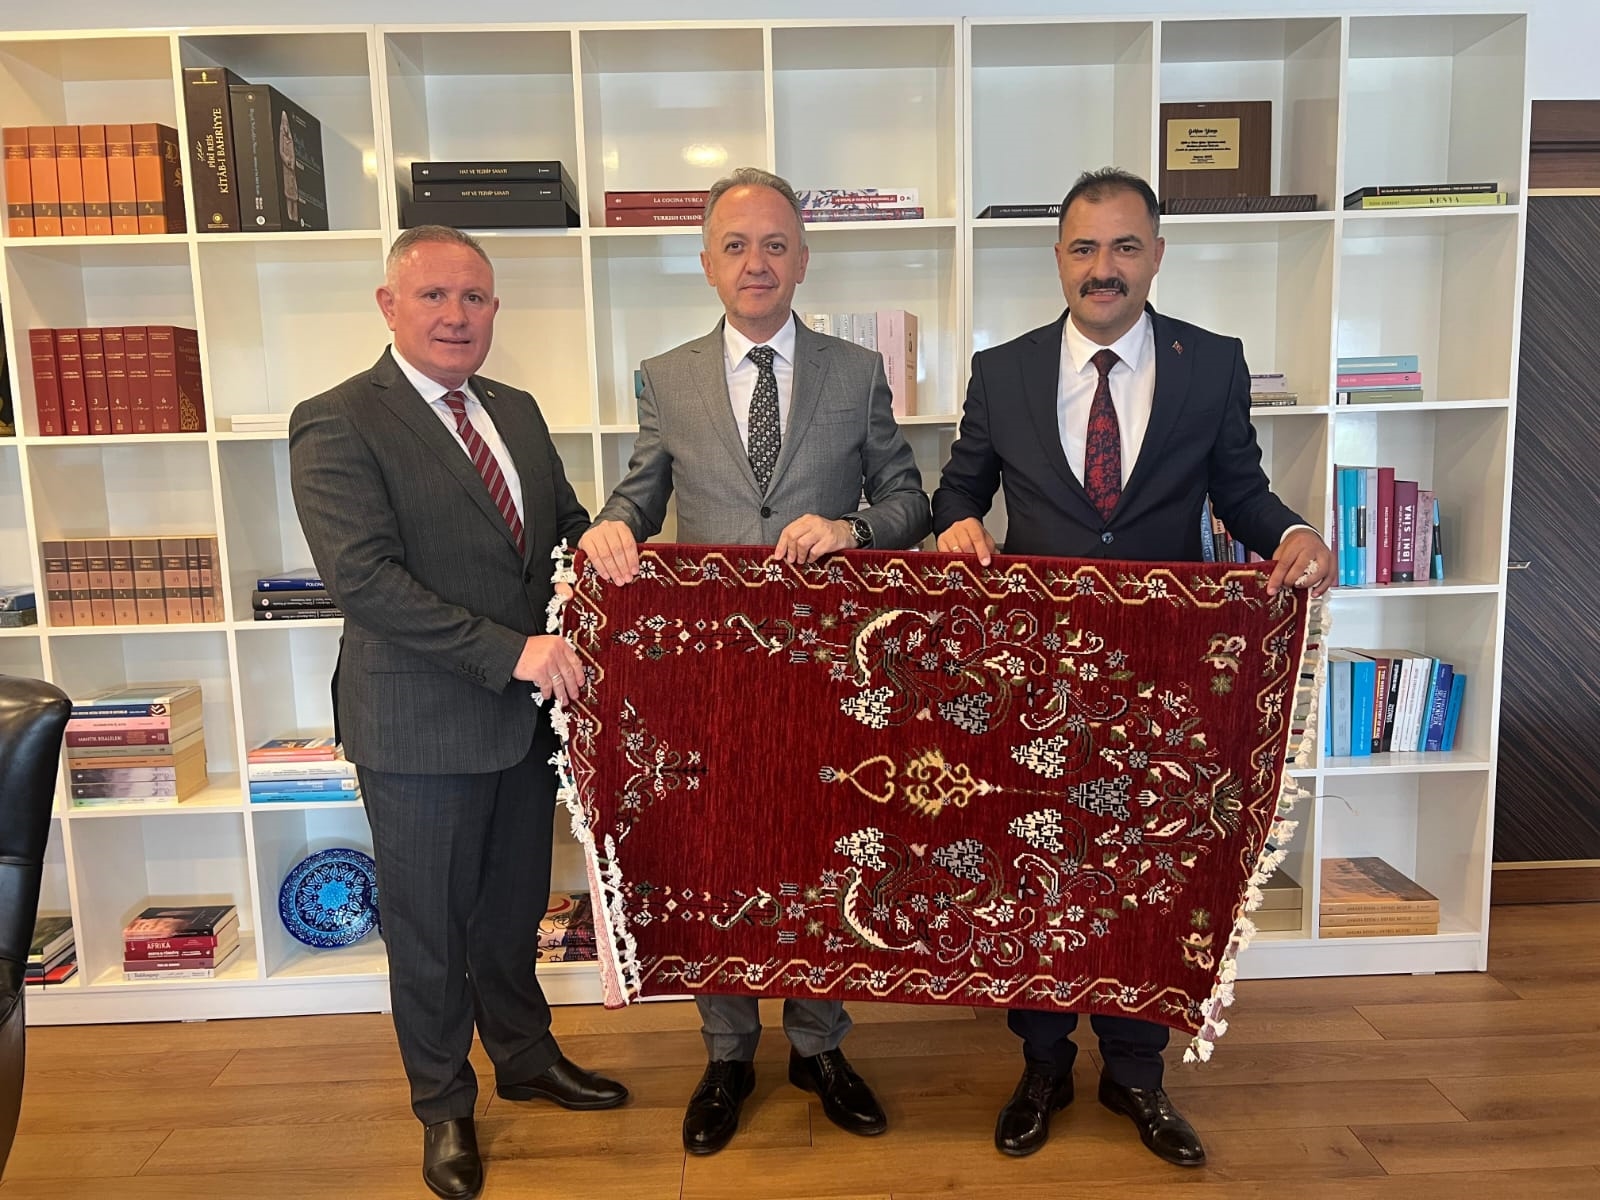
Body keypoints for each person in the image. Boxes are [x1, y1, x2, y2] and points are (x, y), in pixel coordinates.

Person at [933, 167, 1334, 1168]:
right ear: (1058, 259)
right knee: (1036, 866)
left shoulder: (1213, 363)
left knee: (1147, 868)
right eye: (1083, 247)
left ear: (1156, 255)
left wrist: (1292, 533)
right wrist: (954, 527)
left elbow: (1240, 489)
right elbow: (959, 490)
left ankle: (1136, 1075)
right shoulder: (1002, 370)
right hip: (1034, 674)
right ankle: (1041, 1068)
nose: (1102, 267)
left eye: (1123, 246)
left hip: (1166, 670)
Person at [578, 166, 931, 1156]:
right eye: (735, 245)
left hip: (830, 672)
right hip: (714, 671)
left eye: (775, 244)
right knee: (721, 853)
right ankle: (727, 1053)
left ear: (803, 260)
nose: (756, 262)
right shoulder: (667, 375)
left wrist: (851, 527)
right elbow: (641, 493)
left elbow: (909, 502)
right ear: (706, 263)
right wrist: (611, 526)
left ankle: (819, 1046)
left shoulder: (855, 371)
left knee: (824, 849)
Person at [290, 225, 628, 1200]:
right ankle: (443, 1106)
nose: (455, 315)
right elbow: (365, 581)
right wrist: (512, 651)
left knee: (513, 911)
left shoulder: (514, 410)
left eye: (473, 297)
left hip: (524, 722)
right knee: (430, 930)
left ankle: (525, 1058)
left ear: (493, 310)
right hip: (420, 728)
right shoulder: (336, 419)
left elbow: (558, 531)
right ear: (388, 305)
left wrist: (601, 537)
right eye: (433, 295)